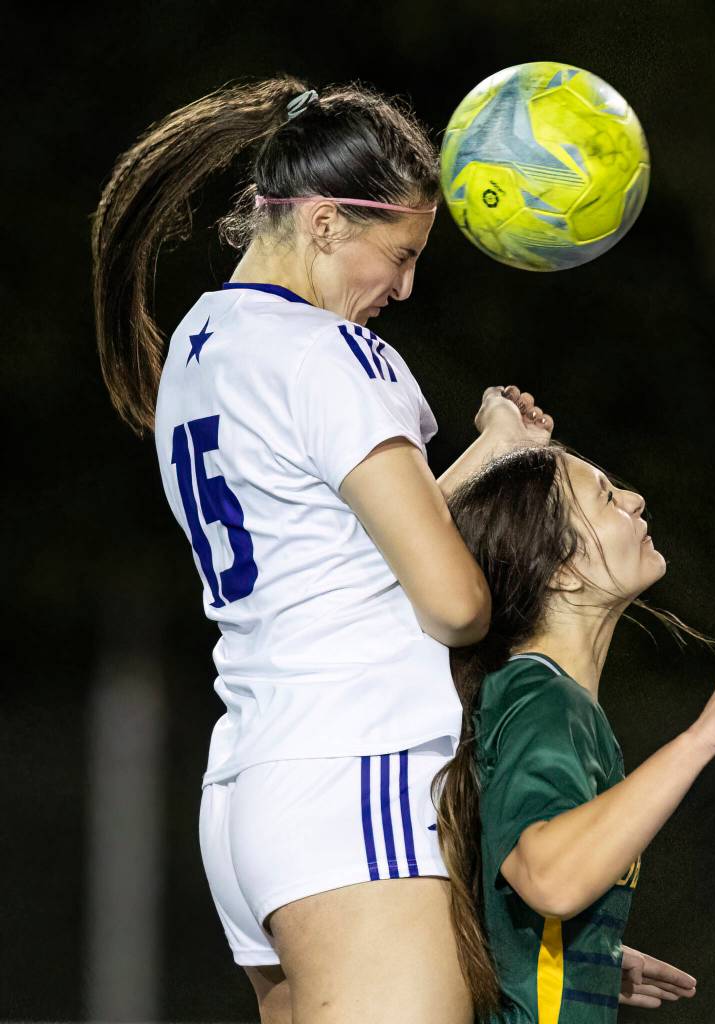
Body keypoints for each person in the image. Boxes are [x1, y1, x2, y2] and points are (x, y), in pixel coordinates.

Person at [90, 76, 555, 1024]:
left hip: (256, 788)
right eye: (402, 254)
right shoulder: (331, 353)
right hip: (357, 771)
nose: (406, 288)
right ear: (327, 223)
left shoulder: (202, 341)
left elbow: (334, 538)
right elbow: (454, 601)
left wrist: (485, 457)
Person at [433, 442, 715, 1022]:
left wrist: (590, 952)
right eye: (606, 497)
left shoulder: (546, 698)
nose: (635, 500)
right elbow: (545, 875)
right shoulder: (541, 698)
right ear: (564, 571)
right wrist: (703, 737)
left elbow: (509, 888)